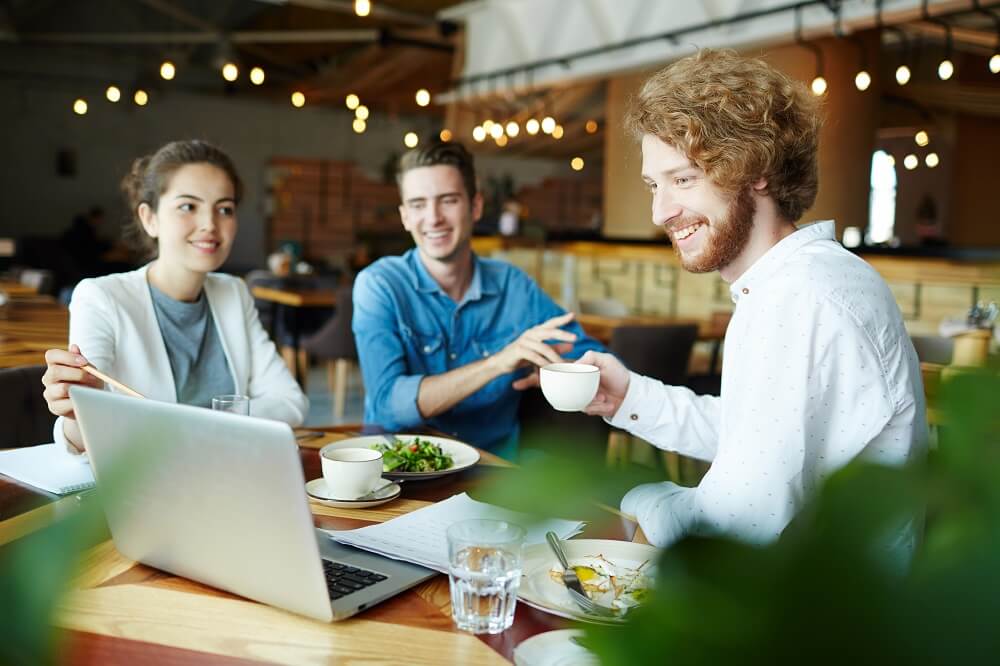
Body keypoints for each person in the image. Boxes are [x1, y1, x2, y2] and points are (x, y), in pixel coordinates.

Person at [577, 50, 926, 551]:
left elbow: (737, 522)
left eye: (683, 180)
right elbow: (758, 437)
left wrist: (637, 500)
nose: (661, 212)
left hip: (818, 616)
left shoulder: (799, 298)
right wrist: (629, 396)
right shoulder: (807, 279)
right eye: (655, 185)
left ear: (756, 169)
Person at [42, 140, 308, 455]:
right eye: (188, 206)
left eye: (225, 209)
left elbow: (291, 402)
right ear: (149, 218)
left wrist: (194, 426)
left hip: (229, 478)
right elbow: (86, 425)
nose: (210, 224)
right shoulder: (101, 297)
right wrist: (75, 411)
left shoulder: (233, 293)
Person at [352, 141, 604, 459]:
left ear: (475, 207)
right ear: (404, 216)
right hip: (400, 467)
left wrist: (562, 371)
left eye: (448, 200)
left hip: (492, 471)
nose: (433, 218)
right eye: (418, 204)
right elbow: (388, 405)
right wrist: (497, 364)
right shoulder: (380, 285)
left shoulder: (514, 287)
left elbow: (597, 358)